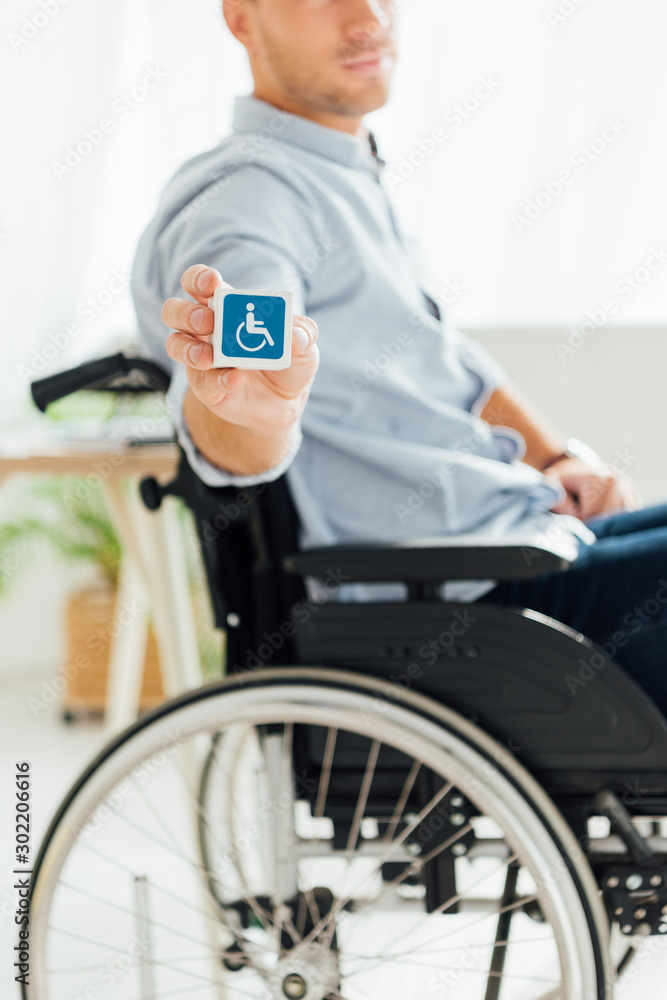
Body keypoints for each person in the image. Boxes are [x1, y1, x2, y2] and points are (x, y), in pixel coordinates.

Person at [132, 0, 667, 714]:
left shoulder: (337, 170)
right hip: (464, 605)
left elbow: (440, 358)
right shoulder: (249, 200)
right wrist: (251, 414)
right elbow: (239, 381)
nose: (368, 18)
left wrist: (552, 457)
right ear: (240, 18)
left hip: (509, 538)